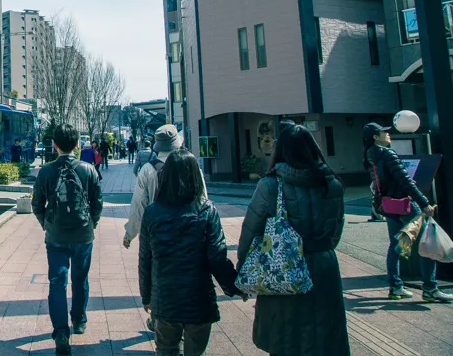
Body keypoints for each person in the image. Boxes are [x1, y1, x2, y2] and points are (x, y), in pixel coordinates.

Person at [238, 124, 352, 355]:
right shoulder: (332, 184)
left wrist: (242, 268)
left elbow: (251, 231)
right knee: (324, 335)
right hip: (323, 265)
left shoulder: (270, 184)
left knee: (285, 337)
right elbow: (336, 233)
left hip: (280, 268)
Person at [140, 149, 240, 356]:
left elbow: (145, 260)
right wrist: (234, 287)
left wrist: (147, 296)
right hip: (199, 298)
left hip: (165, 296)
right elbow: (217, 257)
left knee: (166, 350)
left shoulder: (152, 212)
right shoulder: (206, 211)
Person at [32, 124, 103, 355]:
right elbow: (97, 203)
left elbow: (36, 205)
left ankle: (61, 332)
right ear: (76, 145)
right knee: (80, 279)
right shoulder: (88, 169)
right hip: (83, 235)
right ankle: (79, 320)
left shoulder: (46, 172)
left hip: (56, 237)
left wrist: (48, 225)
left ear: (54, 144)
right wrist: (91, 224)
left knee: (57, 282)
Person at [364, 122, 452, 303]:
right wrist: (424, 202)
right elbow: (405, 180)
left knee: (395, 245)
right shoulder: (387, 154)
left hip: (389, 206)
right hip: (405, 205)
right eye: (384, 132)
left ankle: (395, 287)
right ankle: (430, 288)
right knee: (427, 245)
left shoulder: (370, 155)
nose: (389, 135)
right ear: (375, 136)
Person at [125, 125, 207, 249]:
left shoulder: (148, 169)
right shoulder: (192, 165)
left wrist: (129, 234)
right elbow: (203, 199)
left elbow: (139, 205)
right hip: (190, 230)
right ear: (177, 143)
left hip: (159, 232)